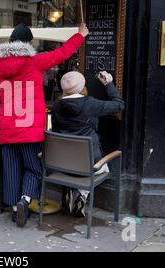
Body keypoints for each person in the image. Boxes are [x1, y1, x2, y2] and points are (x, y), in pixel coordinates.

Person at [0, 22, 89, 228]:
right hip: (29, 129)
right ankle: (25, 200)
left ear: (10, 42)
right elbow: (61, 54)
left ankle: (15, 210)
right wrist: (80, 35)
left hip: (7, 128)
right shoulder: (34, 61)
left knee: (11, 167)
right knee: (33, 168)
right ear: (29, 43)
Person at [52, 71, 125, 216]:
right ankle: (82, 194)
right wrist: (108, 83)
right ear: (82, 87)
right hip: (88, 164)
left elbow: (55, 131)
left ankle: (69, 189)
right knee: (104, 167)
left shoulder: (56, 106)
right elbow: (119, 105)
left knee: (75, 161)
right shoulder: (90, 103)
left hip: (62, 163)